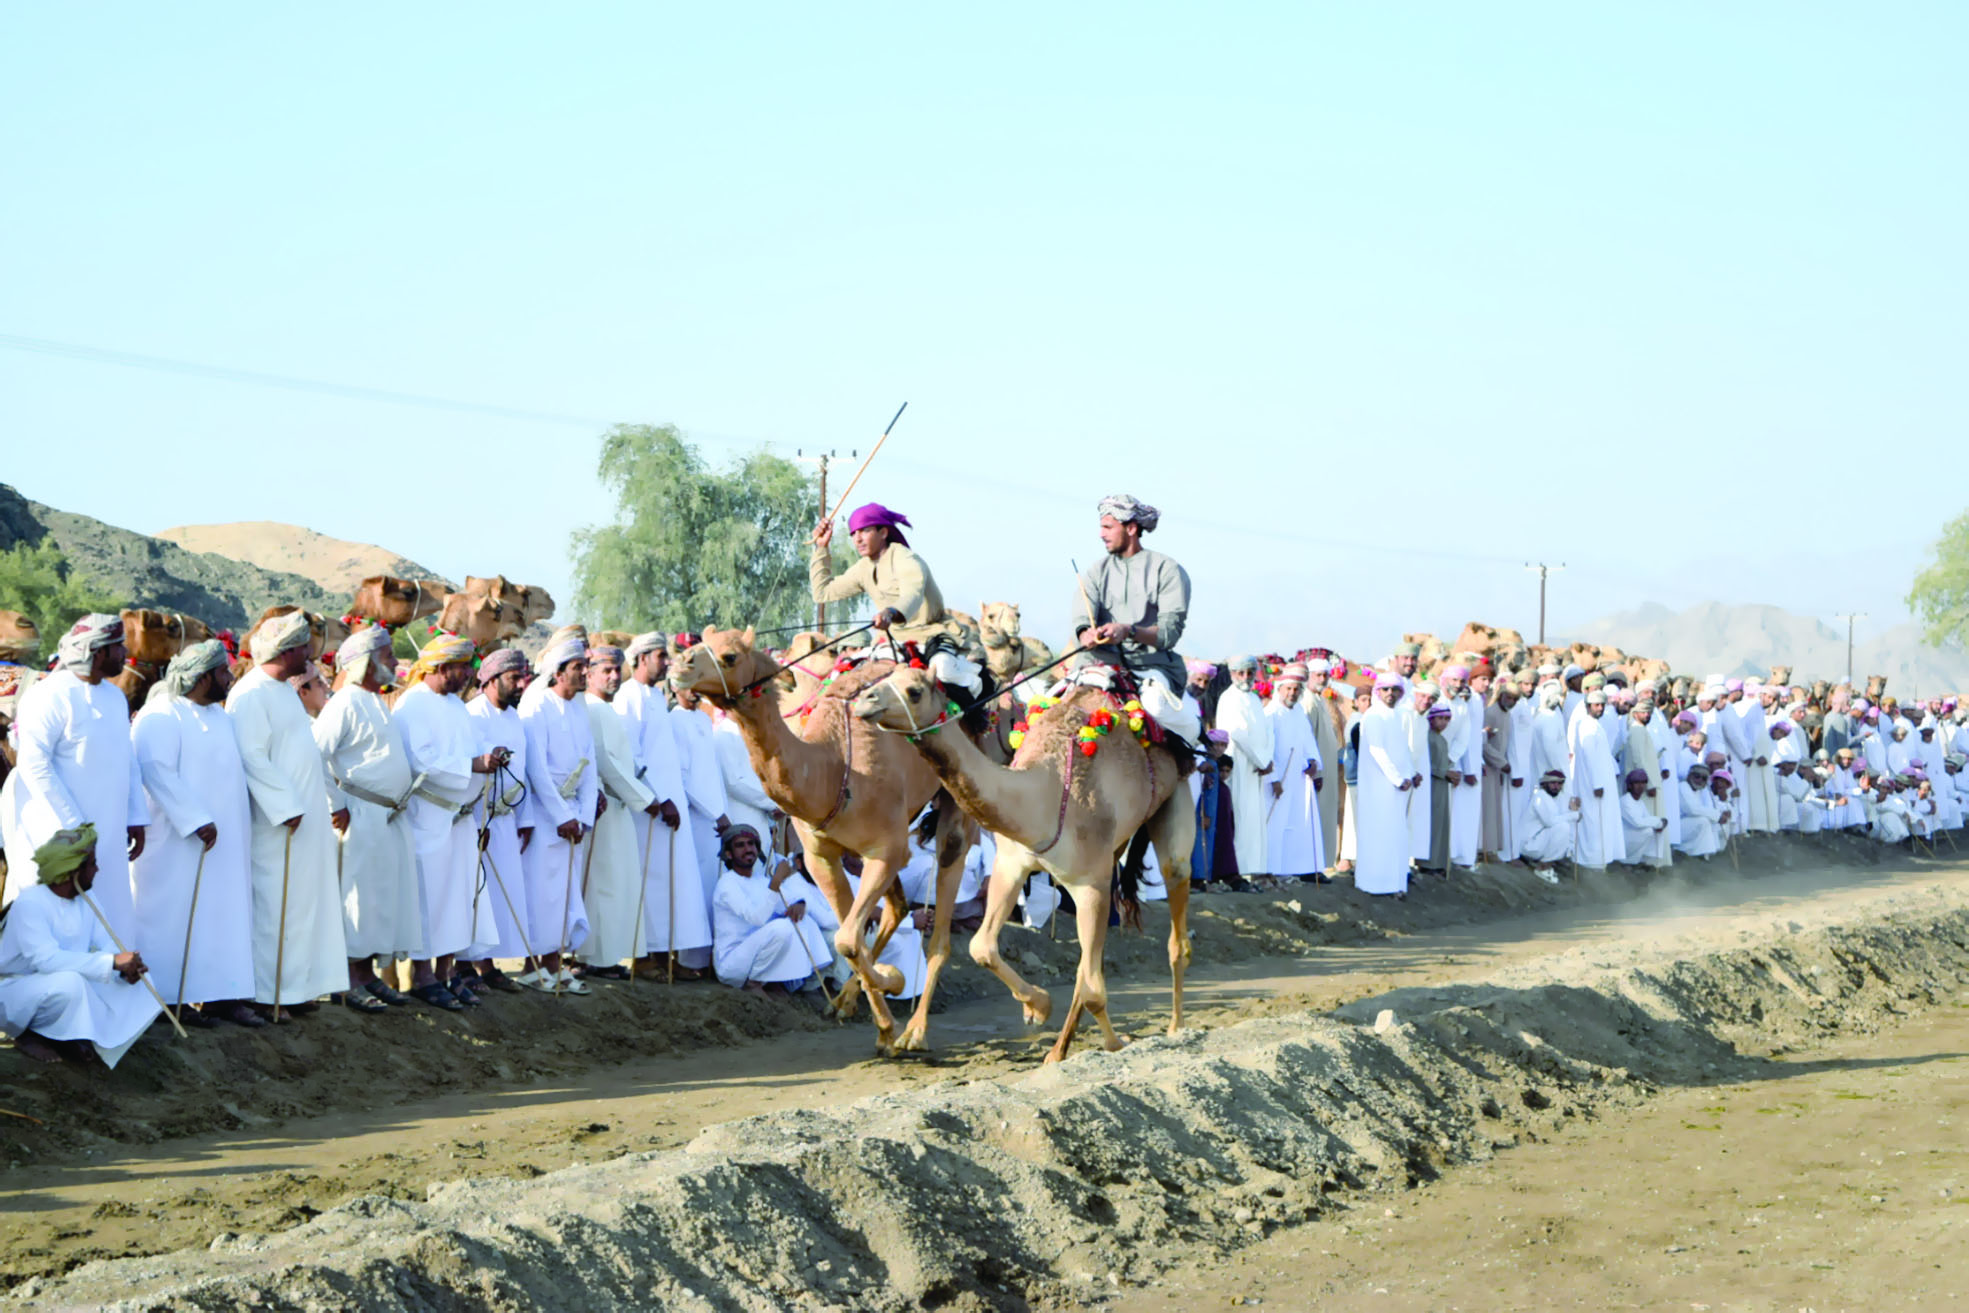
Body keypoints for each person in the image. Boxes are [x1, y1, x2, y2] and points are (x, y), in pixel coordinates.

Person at [130, 639, 259, 1027]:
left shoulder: (222, 718)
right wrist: (195, 818)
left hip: (226, 844)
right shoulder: (160, 715)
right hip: (176, 842)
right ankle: (169, 999)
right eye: (222, 672)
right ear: (202, 678)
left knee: (224, 917)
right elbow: (155, 769)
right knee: (174, 917)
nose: (230, 676)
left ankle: (221, 996)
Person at [227, 611, 348, 1019]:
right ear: (289, 651)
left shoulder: (281, 691)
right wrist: (285, 808)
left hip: (305, 820)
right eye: (304, 646)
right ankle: (268, 995)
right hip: (278, 824)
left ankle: (295, 991)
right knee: (274, 910)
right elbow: (252, 758)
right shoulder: (250, 694)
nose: (311, 652)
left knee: (302, 908)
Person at [0, 615, 146, 937]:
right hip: (56, 834)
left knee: (111, 913)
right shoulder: (49, 695)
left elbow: (128, 759)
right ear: (96, 652)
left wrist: (135, 816)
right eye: (117, 647)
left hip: (107, 832)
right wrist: (74, 829)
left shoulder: (114, 697)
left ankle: (111, 976)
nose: (124, 653)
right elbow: (34, 764)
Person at [312, 626, 422, 1011]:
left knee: (377, 899)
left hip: (386, 818)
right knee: (355, 899)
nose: (394, 662)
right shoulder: (344, 703)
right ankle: (347, 981)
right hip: (358, 815)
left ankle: (366, 975)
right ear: (367, 663)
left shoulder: (376, 701)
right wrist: (335, 804)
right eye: (388, 655)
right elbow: (316, 755)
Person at [393, 633, 503, 1008]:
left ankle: (447, 971)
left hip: (460, 818)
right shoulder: (412, 705)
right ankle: (422, 977)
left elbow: (470, 752)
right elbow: (419, 761)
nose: (469, 674)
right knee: (431, 897)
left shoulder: (457, 706)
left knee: (459, 897)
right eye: (462, 668)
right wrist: (472, 765)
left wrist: (488, 759)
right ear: (441, 668)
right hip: (427, 816)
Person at [0, 825, 161, 1066]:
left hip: (66, 982)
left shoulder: (87, 898)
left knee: (142, 984)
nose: (97, 869)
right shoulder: (30, 903)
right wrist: (111, 963)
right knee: (70, 983)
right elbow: (45, 960)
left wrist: (125, 969)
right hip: (16, 990)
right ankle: (29, 1035)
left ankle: (79, 1038)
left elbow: (106, 945)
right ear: (73, 871)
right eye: (92, 864)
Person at [1068, 494, 1200, 742]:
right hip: (1099, 661)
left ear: (1131, 528)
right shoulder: (1096, 571)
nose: (1101, 534)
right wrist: (1086, 634)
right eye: (1101, 527)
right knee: (1054, 709)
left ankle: (1197, 734)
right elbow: (1082, 618)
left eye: (1108, 527)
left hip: (1151, 664)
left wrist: (1128, 630)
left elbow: (1168, 634)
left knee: (1156, 707)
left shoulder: (1167, 569)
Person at [616, 632, 708, 980]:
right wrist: (654, 798)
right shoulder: (628, 696)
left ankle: (665, 955)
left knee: (672, 880)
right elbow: (631, 756)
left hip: (670, 805)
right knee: (650, 881)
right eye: (660, 655)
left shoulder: (655, 696)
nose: (667, 662)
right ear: (641, 658)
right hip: (649, 809)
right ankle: (645, 959)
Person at [518, 635, 599, 994]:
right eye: (577, 667)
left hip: (573, 818)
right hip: (544, 813)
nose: (584, 673)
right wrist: (561, 815)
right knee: (542, 892)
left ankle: (557, 964)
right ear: (558, 672)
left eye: (585, 666)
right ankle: (533, 966)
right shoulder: (536, 706)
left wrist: (583, 815)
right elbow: (535, 770)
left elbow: (590, 766)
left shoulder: (580, 709)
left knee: (567, 893)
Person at [575, 644, 657, 981]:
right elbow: (607, 765)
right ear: (589, 673)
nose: (612, 676)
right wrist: (646, 799)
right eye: (604, 670)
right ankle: (595, 957)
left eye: (615, 669)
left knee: (613, 883)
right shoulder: (593, 709)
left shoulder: (606, 709)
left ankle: (604, 956)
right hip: (604, 810)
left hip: (619, 808)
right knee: (602, 884)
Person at [810, 502, 978, 661]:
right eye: (853, 533)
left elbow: (912, 595)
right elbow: (822, 593)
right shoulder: (862, 569)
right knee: (850, 675)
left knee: (944, 670)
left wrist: (889, 613)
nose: (857, 539)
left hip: (931, 636)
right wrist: (821, 547)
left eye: (864, 531)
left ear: (883, 533)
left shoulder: (905, 559)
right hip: (890, 640)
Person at [461, 647, 537, 993]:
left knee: (499, 895)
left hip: (506, 820)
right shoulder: (471, 715)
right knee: (474, 893)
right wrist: (478, 820)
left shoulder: (514, 719)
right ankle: (464, 966)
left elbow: (524, 772)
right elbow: (466, 767)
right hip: (478, 817)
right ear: (490, 680)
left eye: (522, 677)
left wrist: (526, 817)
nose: (521, 684)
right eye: (513, 678)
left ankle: (488, 966)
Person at [711, 824, 835, 993]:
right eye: (740, 845)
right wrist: (776, 880)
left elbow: (792, 899)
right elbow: (757, 918)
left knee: (803, 920)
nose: (748, 849)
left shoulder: (761, 880)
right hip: (733, 964)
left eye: (751, 844)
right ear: (729, 854)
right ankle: (753, 983)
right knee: (782, 928)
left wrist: (799, 904)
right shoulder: (727, 883)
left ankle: (800, 981)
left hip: (756, 956)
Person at [1355, 671, 1420, 897]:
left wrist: (1411, 773)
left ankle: (1395, 882)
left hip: (1397, 787)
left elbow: (1402, 750)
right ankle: (1375, 884)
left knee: (1396, 834)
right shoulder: (1374, 716)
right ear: (1377, 691)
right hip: (1379, 787)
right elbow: (1377, 751)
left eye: (1395, 690)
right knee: (1378, 833)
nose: (1390, 694)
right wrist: (1398, 779)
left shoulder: (1396, 716)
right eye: (1386, 689)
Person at [1262, 665, 1324, 881]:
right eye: (1288, 689)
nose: (1292, 693)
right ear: (1279, 689)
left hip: (1298, 779)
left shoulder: (1299, 712)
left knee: (1296, 824)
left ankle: (1292, 869)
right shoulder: (1270, 714)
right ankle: (1270, 870)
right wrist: (1274, 779)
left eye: (1296, 689)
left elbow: (1308, 741)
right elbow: (1266, 750)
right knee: (1275, 825)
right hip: (1277, 780)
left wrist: (1314, 761)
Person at [1215, 656, 1272, 879]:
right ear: (1232, 674)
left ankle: (1254, 869)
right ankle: (1237, 870)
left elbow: (1267, 733)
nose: (1246, 677)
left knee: (1255, 819)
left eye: (1250, 672)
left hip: (1258, 768)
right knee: (1239, 815)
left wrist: (1266, 760)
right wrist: (1260, 761)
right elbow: (1237, 733)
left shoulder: (1255, 700)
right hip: (1238, 764)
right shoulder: (1229, 698)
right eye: (1241, 673)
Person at [1566, 689, 1623, 871]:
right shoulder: (1587, 726)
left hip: (1600, 782)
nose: (1599, 708)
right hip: (1592, 785)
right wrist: (1597, 784)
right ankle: (1591, 863)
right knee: (1593, 823)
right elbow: (1590, 758)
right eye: (1596, 705)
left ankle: (1599, 862)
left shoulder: (1594, 725)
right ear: (1588, 706)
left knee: (1601, 823)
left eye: (1602, 705)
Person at [1302, 658, 1345, 861]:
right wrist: (1316, 771)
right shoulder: (1308, 701)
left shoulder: (1319, 699)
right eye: (1317, 675)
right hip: (1317, 773)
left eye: (1325, 675)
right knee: (1315, 817)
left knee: (1325, 816)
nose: (1322, 679)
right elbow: (1307, 739)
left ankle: (1320, 863)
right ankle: (1312, 864)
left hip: (1326, 771)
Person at [1481, 675, 1516, 863]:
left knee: (1495, 807)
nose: (1511, 702)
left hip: (1498, 768)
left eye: (1514, 699)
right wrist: (1501, 762)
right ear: (1501, 695)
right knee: (1487, 807)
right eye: (1508, 697)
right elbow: (1484, 744)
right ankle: (1483, 850)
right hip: (1488, 766)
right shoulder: (1490, 713)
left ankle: (1491, 849)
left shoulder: (1506, 715)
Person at [1517, 770, 1573, 881]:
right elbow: (1550, 822)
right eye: (1553, 783)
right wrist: (1573, 816)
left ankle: (1547, 862)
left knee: (1563, 827)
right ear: (1544, 784)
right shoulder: (1540, 797)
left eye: (1559, 783)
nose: (1556, 787)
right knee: (1563, 828)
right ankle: (1543, 867)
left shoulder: (1549, 798)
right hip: (1528, 845)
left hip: (1535, 842)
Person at [1421, 703, 1454, 876]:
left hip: (1442, 786)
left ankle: (1438, 863)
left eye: (1447, 719)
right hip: (1431, 786)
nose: (1444, 722)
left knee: (1441, 823)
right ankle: (1428, 864)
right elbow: (1426, 765)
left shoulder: (1441, 739)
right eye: (1440, 718)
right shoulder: (1427, 737)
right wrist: (1444, 773)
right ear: (1431, 719)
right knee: (1432, 823)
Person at [1619, 769, 1670, 866]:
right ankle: (1628, 862)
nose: (1641, 786)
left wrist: (1659, 824)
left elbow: (1647, 818)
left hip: (1633, 835)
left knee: (1656, 830)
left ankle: (1646, 862)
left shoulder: (1640, 802)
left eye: (1643, 782)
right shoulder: (1625, 801)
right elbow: (1637, 822)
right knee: (1648, 831)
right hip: (1624, 839)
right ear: (1630, 785)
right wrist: (1659, 822)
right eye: (1637, 783)